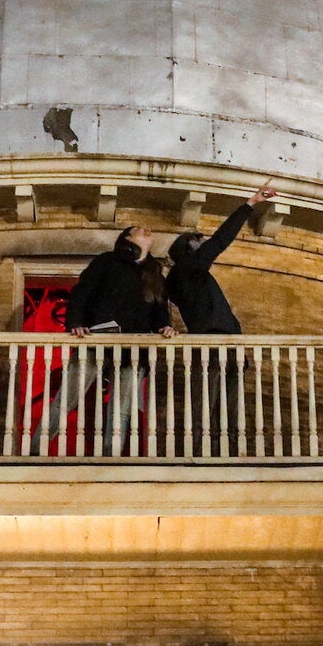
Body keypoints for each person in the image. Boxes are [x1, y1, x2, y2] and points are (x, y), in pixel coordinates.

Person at [33, 226, 175, 453]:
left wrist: (165, 327)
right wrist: (76, 323)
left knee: (121, 409)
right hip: (97, 341)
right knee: (66, 399)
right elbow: (83, 292)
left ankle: (112, 456)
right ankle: (34, 449)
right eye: (140, 230)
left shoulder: (154, 272)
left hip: (134, 351)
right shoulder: (107, 261)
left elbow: (159, 309)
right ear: (126, 238)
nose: (147, 230)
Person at [166, 181, 275, 456]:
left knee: (226, 409)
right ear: (191, 247)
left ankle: (226, 454)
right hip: (212, 346)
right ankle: (207, 455)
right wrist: (249, 204)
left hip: (226, 346)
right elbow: (220, 239)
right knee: (210, 406)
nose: (207, 244)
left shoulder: (191, 276)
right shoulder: (187, 270)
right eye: (200, 240)